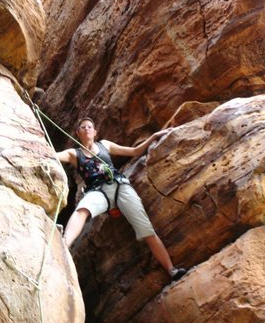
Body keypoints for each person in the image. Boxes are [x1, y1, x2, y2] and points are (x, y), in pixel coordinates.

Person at [56, 117, 187, 281]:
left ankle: (171, 269)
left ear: (95, 132)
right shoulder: (74, 154)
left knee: (146, 229)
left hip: (120, 186)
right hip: (98, 191)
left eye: (90, 126)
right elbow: (53, 156)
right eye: (83, 127)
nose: (87, 129)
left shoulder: (105, 145)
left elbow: (134, 152)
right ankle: (64, 244)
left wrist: (155, 136)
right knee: (83, 209)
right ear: (78, 133)